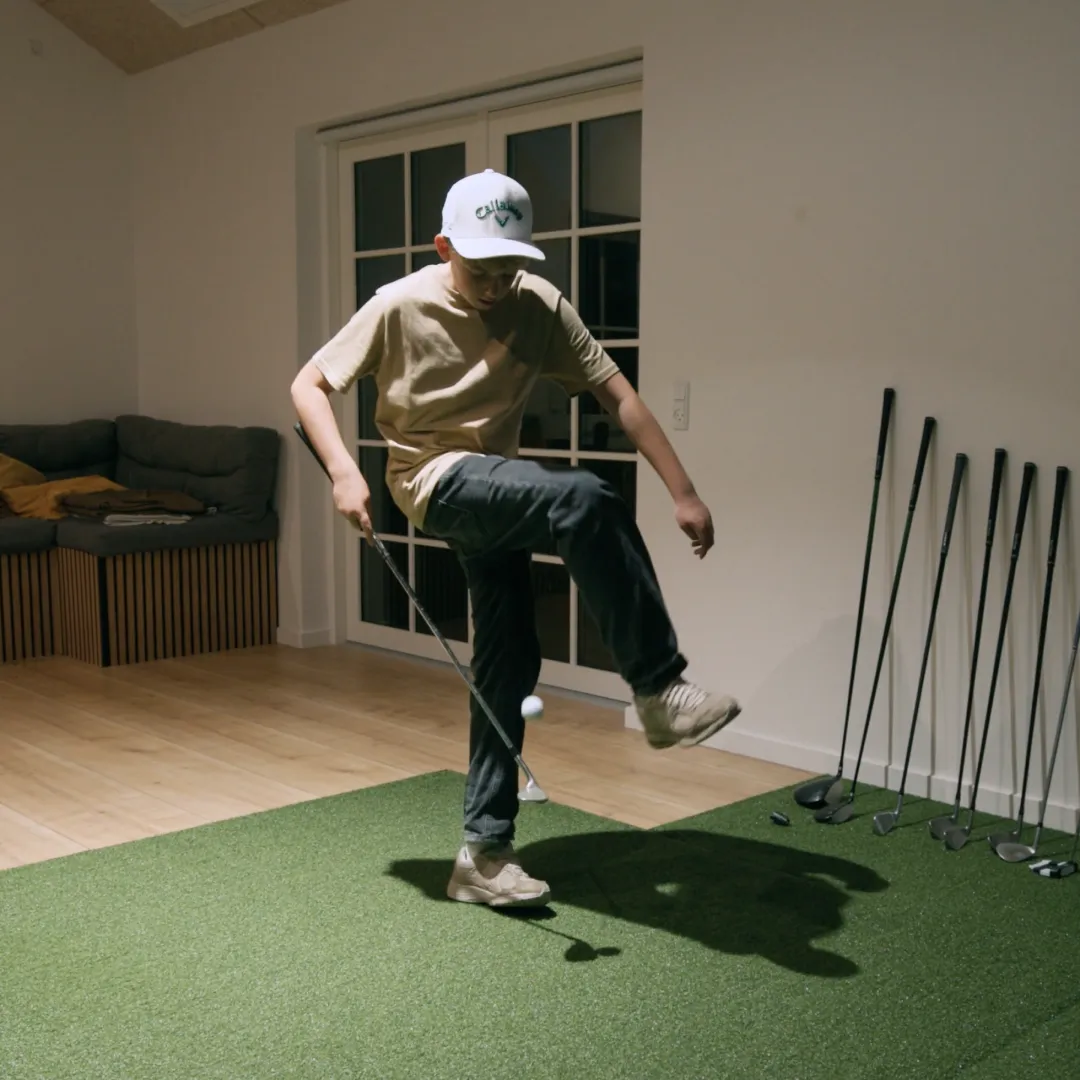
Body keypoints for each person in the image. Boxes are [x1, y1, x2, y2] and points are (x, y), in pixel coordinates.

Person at [291, 169, 742, 908]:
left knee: (508, 659)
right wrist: (344, 472)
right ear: (444, 247)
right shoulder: (398, 305)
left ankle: (483, 853)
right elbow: (308, 385)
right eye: (480, 269)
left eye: (509, 268)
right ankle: (658, 685)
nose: (497, 285)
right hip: (435, 484)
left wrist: (683, 490)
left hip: (492, 488)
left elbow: (617, 394)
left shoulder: (539, 306)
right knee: (585, 497)